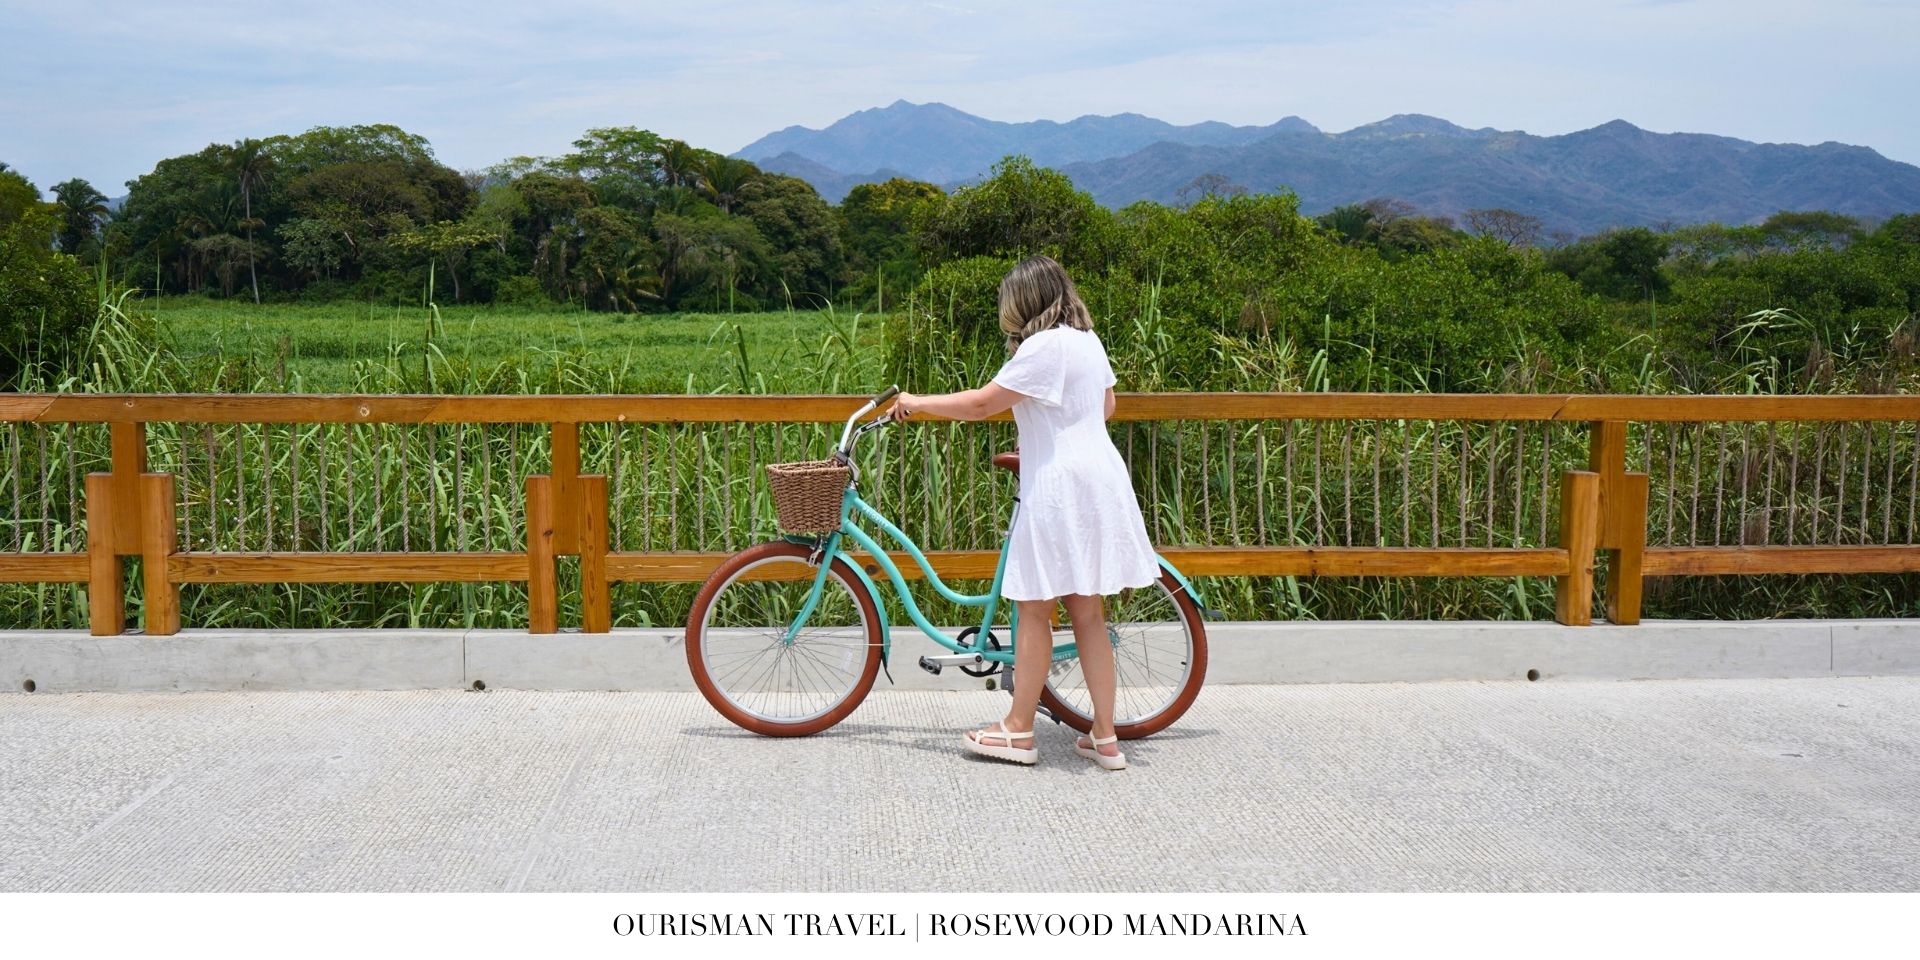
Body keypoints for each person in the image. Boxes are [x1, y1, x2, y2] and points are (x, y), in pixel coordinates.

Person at [886, 255, 1159, 771]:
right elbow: (1106, 408)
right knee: (1089, 612)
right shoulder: (1087, 340)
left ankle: (1017, 730)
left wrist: (917, 402)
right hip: (1100, 475)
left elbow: (980, 405)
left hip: (1059, 485)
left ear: (1026, 301)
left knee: (1035, 609)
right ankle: (1104, 737)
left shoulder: (1041, 347)